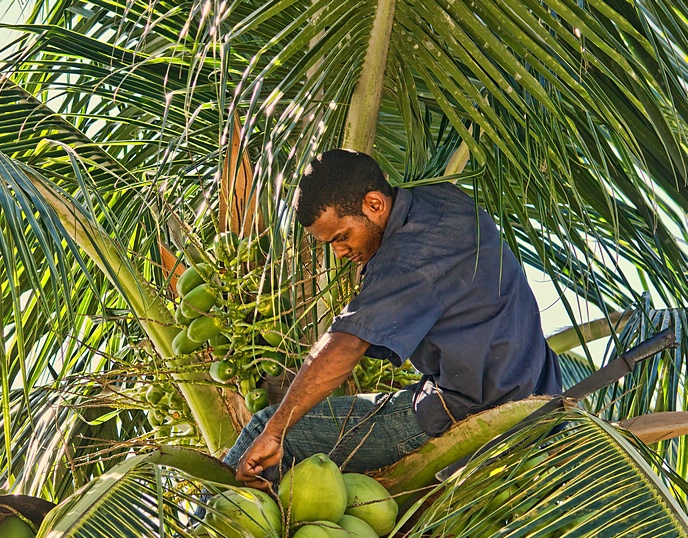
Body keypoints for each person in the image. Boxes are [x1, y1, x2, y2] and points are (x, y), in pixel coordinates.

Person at [224, 149, 562, 490]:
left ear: (374, 204)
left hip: (464, 413)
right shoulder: (446, 199)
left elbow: (346, 343)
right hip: (539, 394)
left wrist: (277, 430)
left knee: (263, 431)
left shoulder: (407, 258)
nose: (339, 253)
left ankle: (203, 535)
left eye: (341, 237)